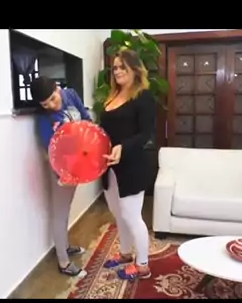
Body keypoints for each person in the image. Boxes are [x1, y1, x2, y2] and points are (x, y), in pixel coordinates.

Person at [100, 49, 157, 282]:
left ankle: (142, 265)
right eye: (115, 67)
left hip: (132, 167)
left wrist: (123, 147)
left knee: (132, 216)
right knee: (119, 215)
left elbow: (146, 134)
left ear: (135, 68)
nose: (118, 71)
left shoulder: (143, 97)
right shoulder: (112, 96)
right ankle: (125, 253)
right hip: (108, 167)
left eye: (122, 67)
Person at [30, 76, 92, 278]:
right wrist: (62, 175)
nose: (50, 105)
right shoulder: (44, 119)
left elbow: (86, 118)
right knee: (60, 213)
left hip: (78, 165)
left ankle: (65, 246)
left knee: (67, 209)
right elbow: (51, 151)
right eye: (45, 104)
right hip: (61, 170)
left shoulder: (71, 95)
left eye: (52, 99)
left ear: (58, 88)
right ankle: (64, 263)